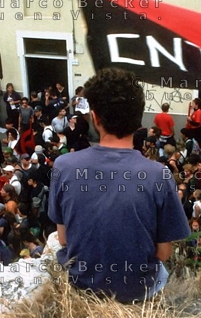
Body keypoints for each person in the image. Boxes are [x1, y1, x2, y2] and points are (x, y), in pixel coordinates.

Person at [48, 68, 190, 303]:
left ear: (94, 117)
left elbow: (63, 239)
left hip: (81, 286)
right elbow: (163, 253)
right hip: (138, 291)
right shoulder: (159, 175)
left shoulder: (63, 166)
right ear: (138, 121)